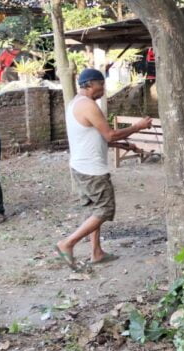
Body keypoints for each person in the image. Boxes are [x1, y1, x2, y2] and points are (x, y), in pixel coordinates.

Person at [55, 68, 152, 267]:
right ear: (90, 84)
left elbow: (93, 136)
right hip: (92, 170)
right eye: (101, 84)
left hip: (81, 166)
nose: (104, 88)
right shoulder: (88, 105)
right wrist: (138, 127)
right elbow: (109, 134)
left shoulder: (76, 103)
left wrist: (122, 145)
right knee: (105, 210)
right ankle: (67, 243)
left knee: (94, 210)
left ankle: (96, 252)